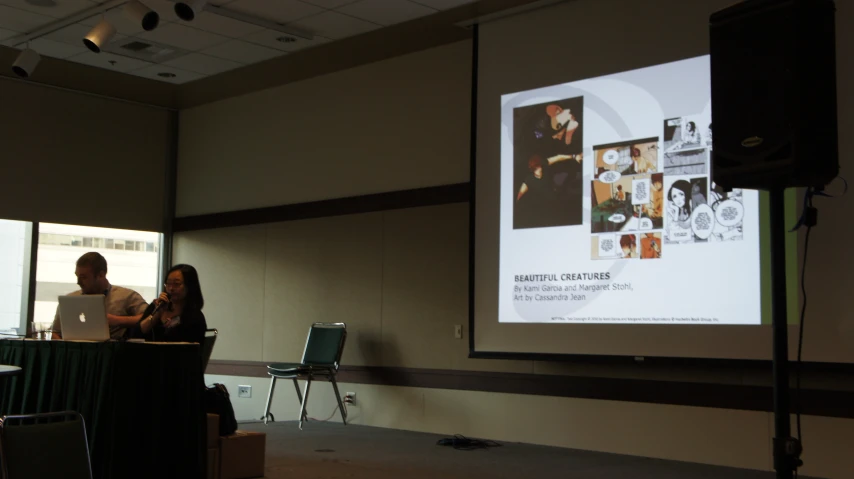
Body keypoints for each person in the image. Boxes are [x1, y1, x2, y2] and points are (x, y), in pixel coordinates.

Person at [51, 252, 148, 340]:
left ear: (101, 275)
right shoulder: (69, 300)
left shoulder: (126, 296)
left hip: (113, 354)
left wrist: (117, 320)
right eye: (77, 276)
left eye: (83, 277)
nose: (78, 282)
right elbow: (55, 333)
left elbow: (149, 316)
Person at [127, 264, 207, 344]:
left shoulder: (195, 317)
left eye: (176, 284)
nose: (171, 288)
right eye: (168, 284)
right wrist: (157, 313)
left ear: (189, 286)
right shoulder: (156, 306)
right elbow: (136, 334)